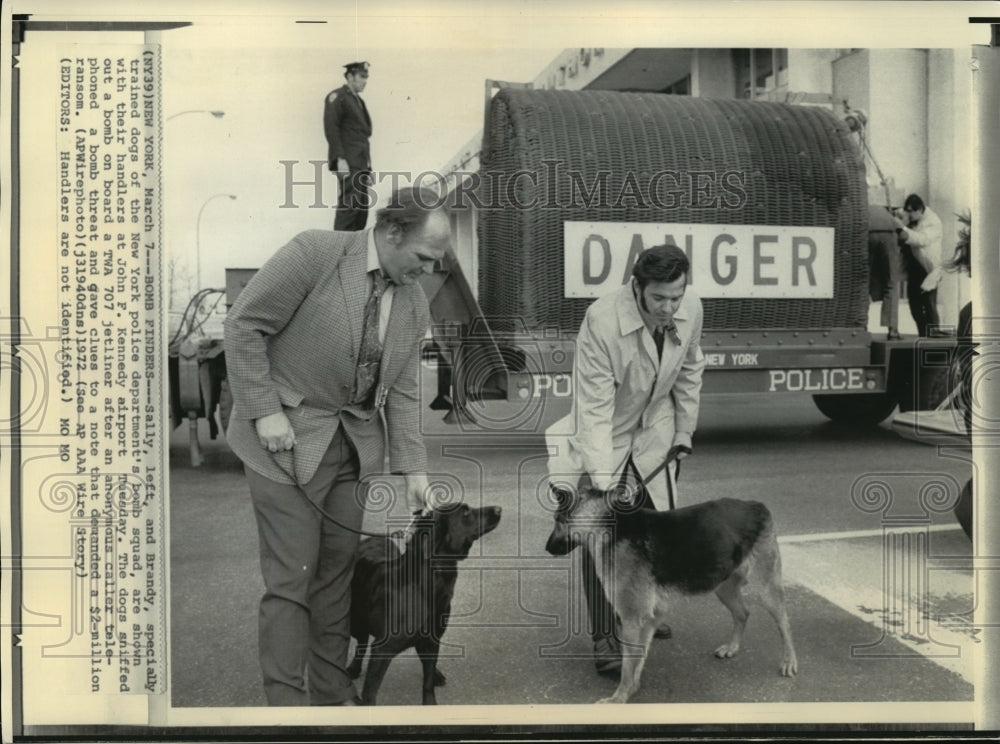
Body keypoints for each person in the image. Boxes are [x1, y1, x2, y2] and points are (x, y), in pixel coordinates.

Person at [224, 187, 450, 706]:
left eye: (436, 263)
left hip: (353, 448)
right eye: (422, 258)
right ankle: (284, 706)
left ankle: (331, 694)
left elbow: (407, 386)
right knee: (292, 581)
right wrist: (265, 410)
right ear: (392, 232)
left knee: (336, 577)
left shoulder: (414, 301)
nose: (428, 271)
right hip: (283, 443)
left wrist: (413, 470)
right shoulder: (315, 254)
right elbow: (244, 325)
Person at [545, 244, 706, 675]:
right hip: (608, 433)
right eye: (659, 299)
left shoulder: (690, 307)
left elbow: (689, 370)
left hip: (655, 429)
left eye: (676, 296)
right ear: (637, 288)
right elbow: (594, 409)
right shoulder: (601, 321)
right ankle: (605, 635)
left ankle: (643, 613)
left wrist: (685, 430)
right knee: (603, 534)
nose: (669, 307)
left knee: (656, 526)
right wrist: (602, 482)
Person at [324, 61, 373, 231]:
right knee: (349, 206)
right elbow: (331, 128)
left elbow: (362, 137)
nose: (365, 81)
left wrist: (368, 169)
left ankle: (352, 252)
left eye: (366, 77)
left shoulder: (359, 101)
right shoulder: (338, 97)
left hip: (360, 164)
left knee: (361, 211)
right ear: (350, 77)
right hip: (348, 161)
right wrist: (340, 159)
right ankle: (338, 249)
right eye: (361, 77)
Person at [894, 193, 943, 337]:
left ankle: (934, 336)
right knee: (914, 306)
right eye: (907, 211)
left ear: (920, 209)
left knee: (929, 305)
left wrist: (903, 229)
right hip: (914, 267)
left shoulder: (933, 221)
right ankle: (923, 333)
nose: (908, 215)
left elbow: (922, 240)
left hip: (928, 268)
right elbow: (899, 215)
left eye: (911, 212)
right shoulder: (912, 215)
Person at [868, 203, 902, 340]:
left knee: (863, 282)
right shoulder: (887, 209)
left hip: (866, 230)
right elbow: (903, 231)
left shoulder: (858, 196)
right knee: (891, 282)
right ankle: (892, 329)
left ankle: (861, 325)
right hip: (889, 230)